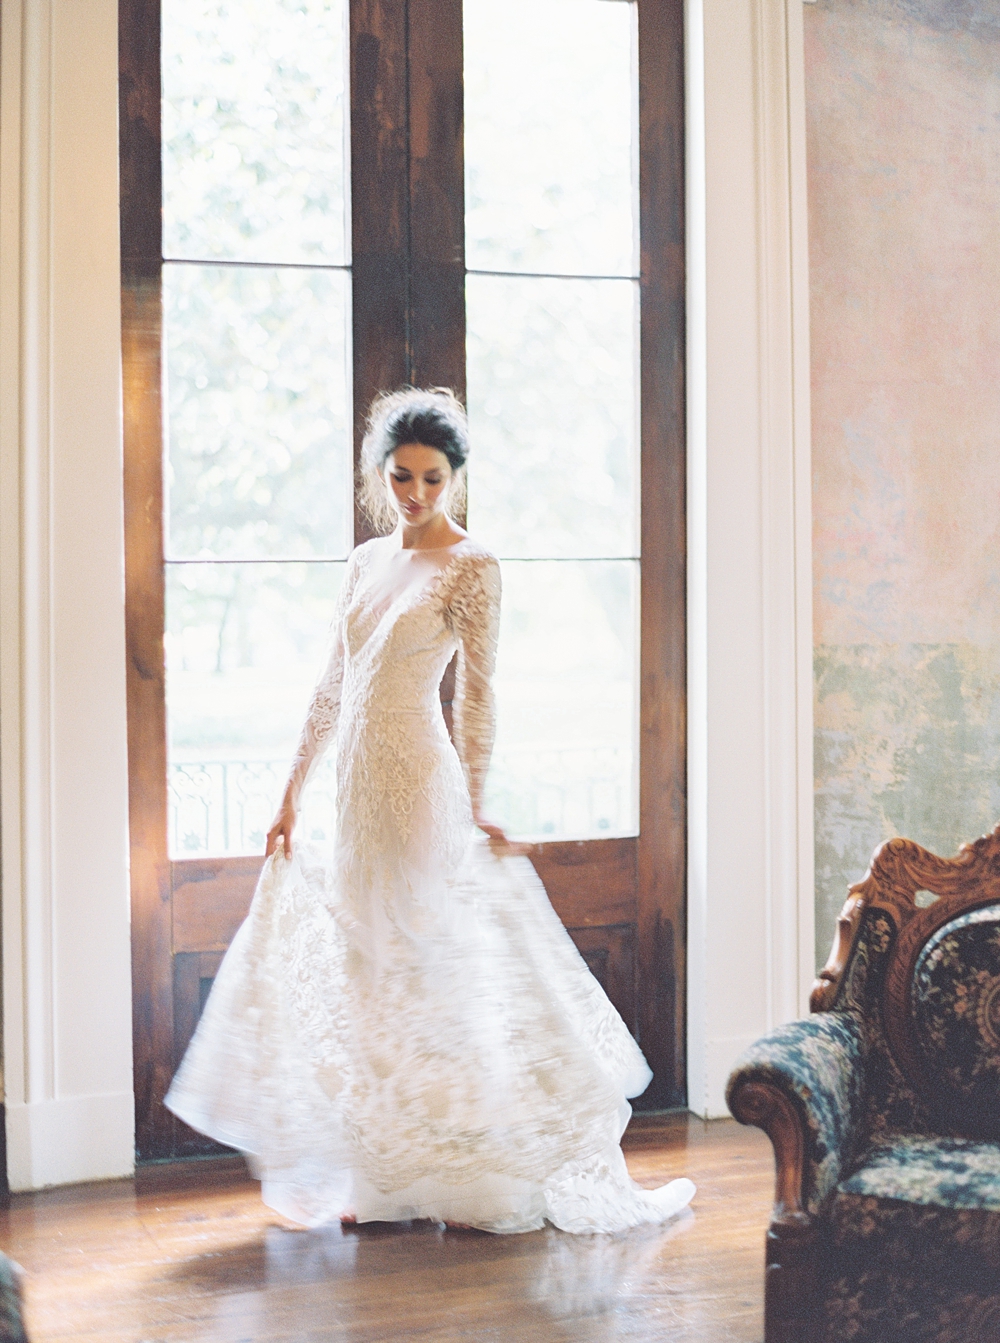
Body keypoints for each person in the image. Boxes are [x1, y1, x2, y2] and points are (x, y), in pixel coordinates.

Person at [166, 387, 695, 1234]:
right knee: (369, 980)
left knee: (426, 973)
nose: (415, 493)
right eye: (402, 476)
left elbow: (478, 693)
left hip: (419, 788)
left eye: (432, 478)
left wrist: (476, 801)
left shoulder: (472, 566)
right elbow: (332, 684)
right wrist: (289, 794)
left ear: (455, 478)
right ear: (380, 474)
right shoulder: (363, 562)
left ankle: (472, 1176)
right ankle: (386, 1181)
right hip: (355, 797)